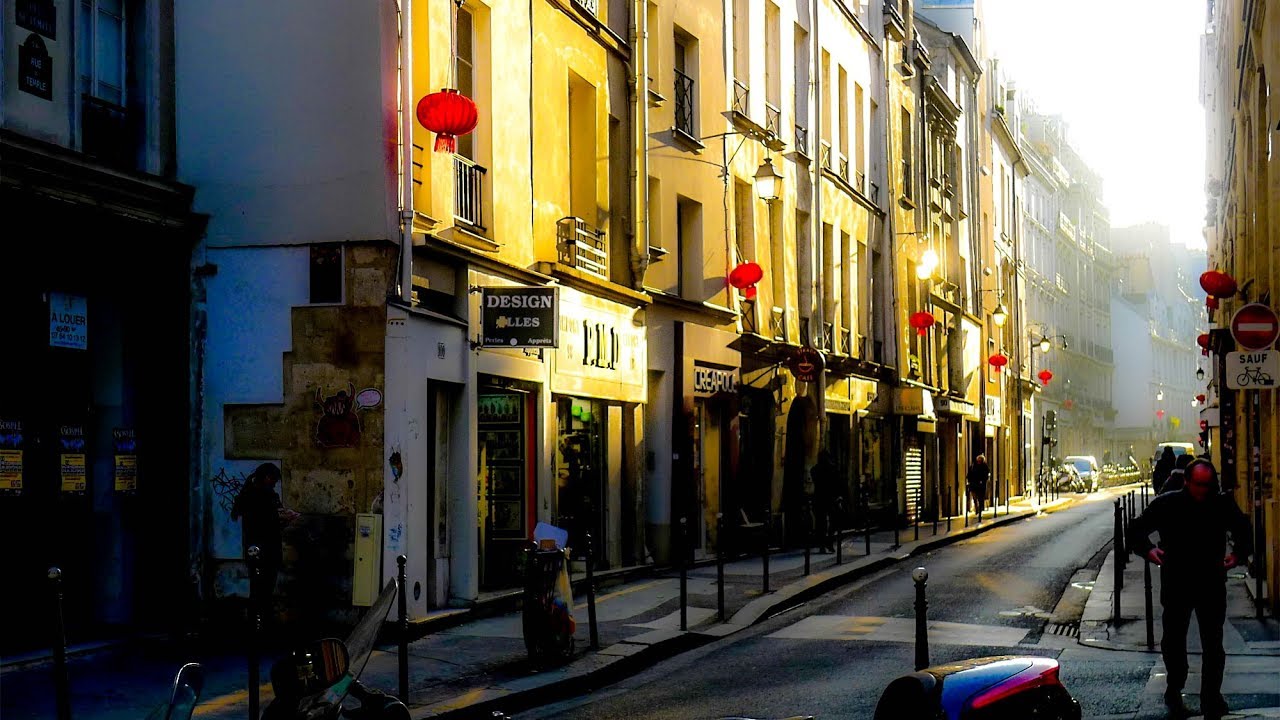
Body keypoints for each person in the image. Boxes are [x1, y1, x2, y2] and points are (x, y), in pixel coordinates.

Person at [1125, 458, 1252, 719]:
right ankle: (1175, 684)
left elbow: (1243, 528)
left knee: (1213, 644)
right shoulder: (1168, 503)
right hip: (1178, 581)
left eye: (1207, 485)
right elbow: (1136, 529)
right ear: (1187, 481)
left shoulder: (1220, 503)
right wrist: (1149, 550)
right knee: (1174, 640)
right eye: (1198, 484)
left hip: (1210, 582)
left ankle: (1211, 696)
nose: (1203, 490)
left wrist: (1238, 554)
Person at [231, 462, 300, 606]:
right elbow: (260, 519)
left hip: (264, 548)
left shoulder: (264, 495)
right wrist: (279, 517)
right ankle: (258, 622)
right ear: (267, 477)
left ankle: (260, 620)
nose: (275, 483)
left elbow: (273, 519)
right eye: (273, 479)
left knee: (263, 589)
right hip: (260, 548)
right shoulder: (252, 495)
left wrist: (285, 517)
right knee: (260, 589)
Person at [810, 450, 842, 553]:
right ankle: (829, 542)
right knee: (833, 522)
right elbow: (838, 483)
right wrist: (838, 497)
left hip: (819, 498)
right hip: (830, 499)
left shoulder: (815, 470)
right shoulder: (833, 469)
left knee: (821, 523)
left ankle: (822, 545)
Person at [966, 454, 990, 519]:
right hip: (973, 484)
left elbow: (986, 475)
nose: (979, 461)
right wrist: (969, 481)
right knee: (974, 497)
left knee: (980, 498)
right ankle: (977, 508)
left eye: (980, 460)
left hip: (981, 485)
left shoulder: (985, 466)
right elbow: (969, 474)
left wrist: (983, 481)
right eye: (978, 460)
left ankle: (980, 509)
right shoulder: (973, 466)